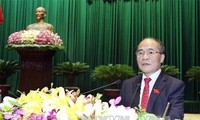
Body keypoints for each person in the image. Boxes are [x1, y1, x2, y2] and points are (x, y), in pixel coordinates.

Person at [119, 38, 185, 120]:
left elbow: (176, 116)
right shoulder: (128, 84)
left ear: (161, 58)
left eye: (151, 52)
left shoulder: (174, 85)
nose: (145, 57)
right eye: (140, 53)